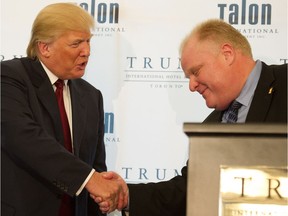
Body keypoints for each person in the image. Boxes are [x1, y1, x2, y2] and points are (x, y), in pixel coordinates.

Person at [95, 18, 287, 215]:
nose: (191, 86)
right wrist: (127, 195)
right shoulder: (211, 126)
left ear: (227, 54)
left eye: (196, 72)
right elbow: (190, 190)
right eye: (188, 78)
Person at [1, 3, 128, 216]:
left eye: (88, 41)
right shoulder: (9, 78)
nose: (86, 51)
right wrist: (89, 179)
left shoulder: (91, 95)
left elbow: (96, 166)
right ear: (44, 48)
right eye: (76, 43)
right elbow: (22, 137)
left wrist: (103, 197)